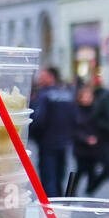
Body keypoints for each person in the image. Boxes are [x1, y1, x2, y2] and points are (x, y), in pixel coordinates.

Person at [30, 67, 75, 197]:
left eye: (43, 76)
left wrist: (34, 135)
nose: (40, 79)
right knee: (60, 177)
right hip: (63, 142)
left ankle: (51, 210)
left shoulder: (44, 96)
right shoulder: (67, 94)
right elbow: (75, 118)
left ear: (51, 77)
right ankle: (60, 206)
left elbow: (38, 119)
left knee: (49, 179)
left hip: (47, 142)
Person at [72, 83, 102, 193]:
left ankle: (89, 189)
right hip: (81, 146)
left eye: (89, 96)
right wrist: (85, 138)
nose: (87, 99)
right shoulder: (76, 110)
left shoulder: (95, 110)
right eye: (85, 96)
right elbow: (74, 128)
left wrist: (95, 138)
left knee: (91, 169)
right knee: (80, 169)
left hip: (93, 146)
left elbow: (99, 126)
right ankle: (72, 191)